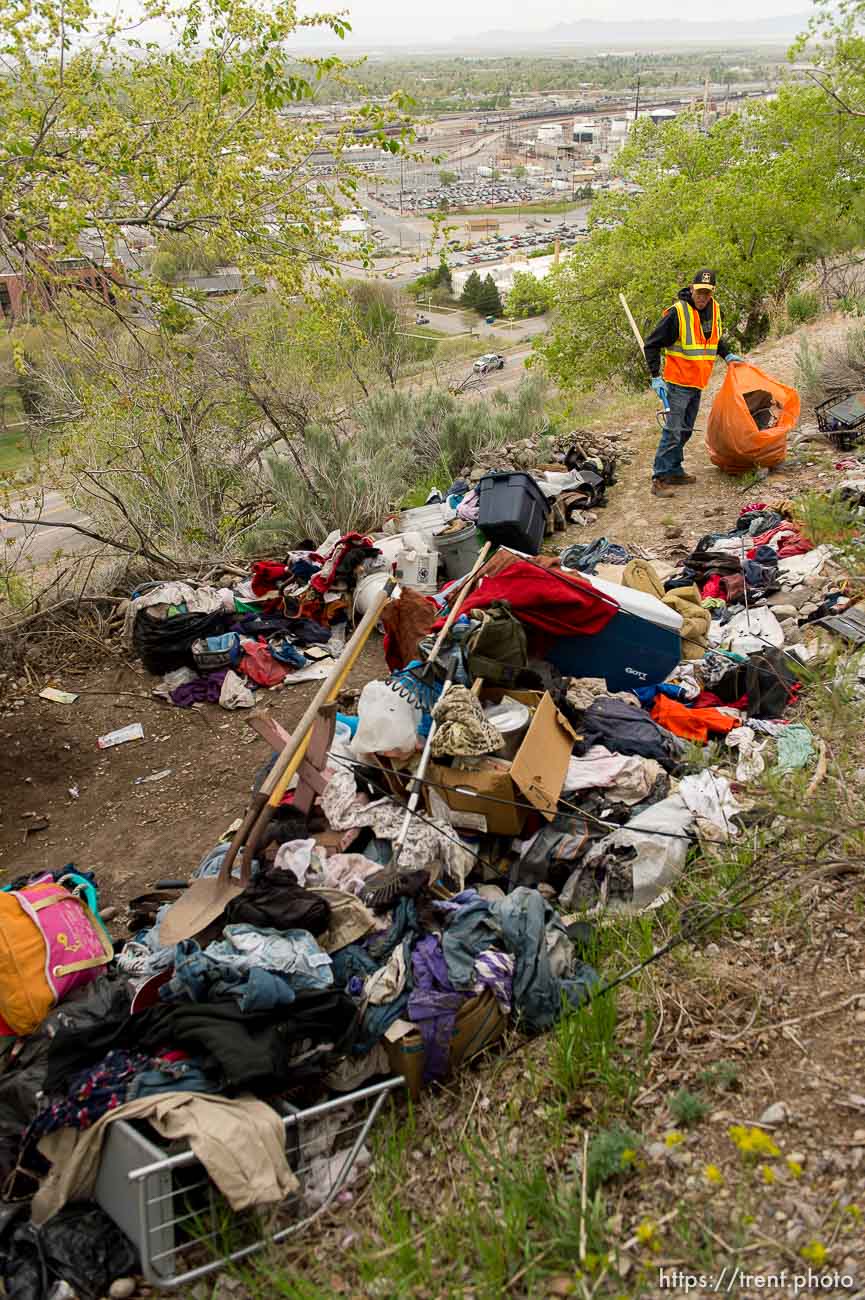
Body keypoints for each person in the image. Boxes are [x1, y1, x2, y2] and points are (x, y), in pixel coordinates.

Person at [644, 269, 742, 498]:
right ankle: (659, 477)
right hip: (677, 382)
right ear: (691, 289)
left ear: (712, 292)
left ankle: (675, 470)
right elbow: (651, 344)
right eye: (699, 292)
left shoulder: (714, 309)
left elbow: (713, 339)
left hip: (697, 382)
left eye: (707, 293)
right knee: (673, 431)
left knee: (685, 430)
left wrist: (727, 355)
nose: (702, 297)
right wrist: (655, 376)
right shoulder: (677, 313)